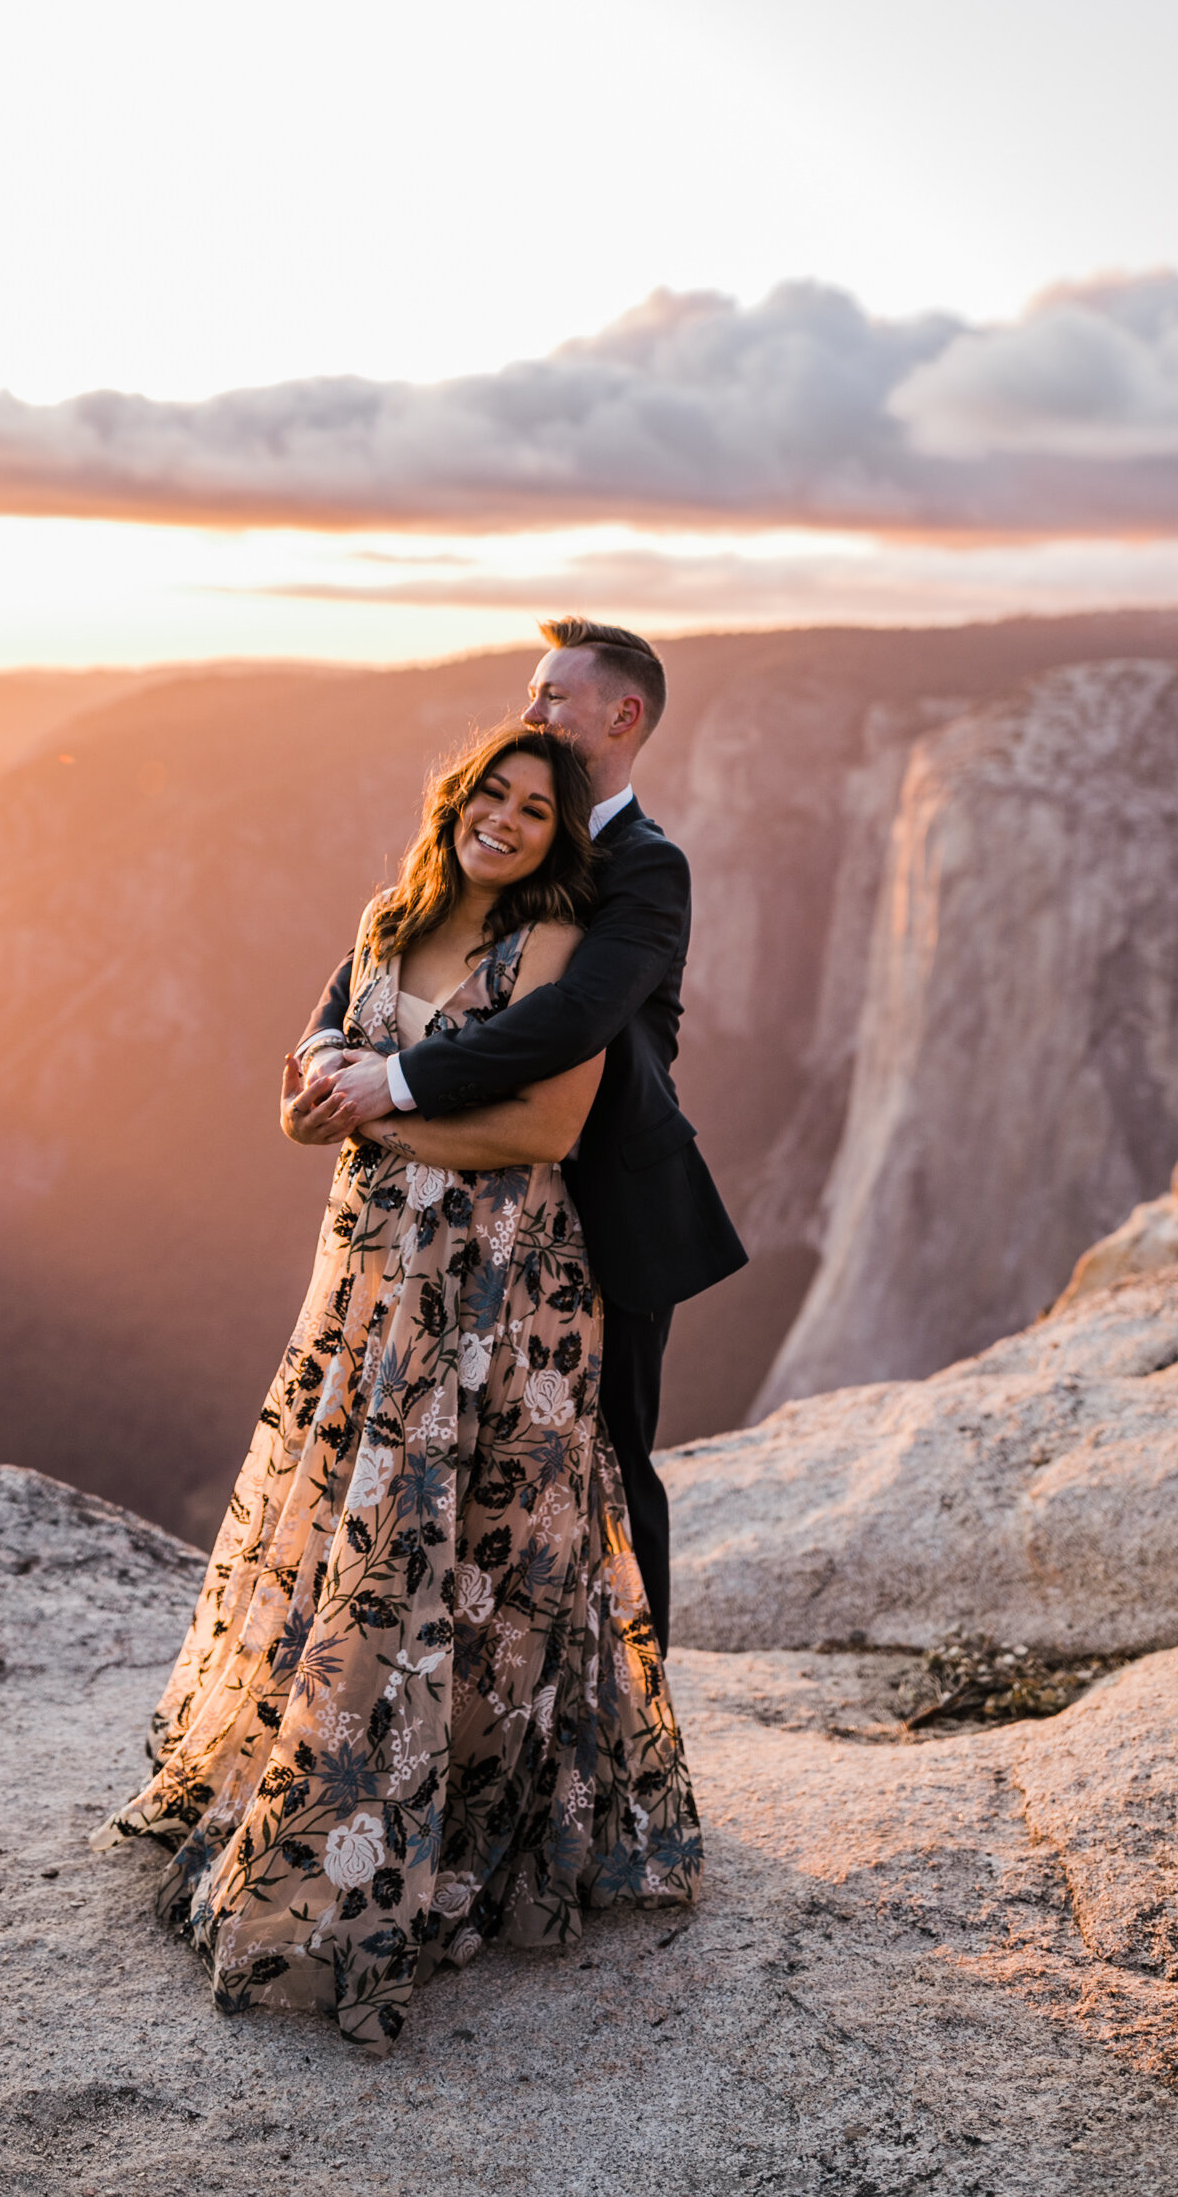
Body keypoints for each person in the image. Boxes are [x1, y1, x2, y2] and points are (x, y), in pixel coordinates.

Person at [95, 723, 701, 2051]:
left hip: (497, 1301)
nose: (503, 818)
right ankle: (308, 1787)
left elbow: (545, 1130)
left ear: (558, 836)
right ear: (456, 796)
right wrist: (316, 1105)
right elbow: (299, 1078)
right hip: (367, 1281)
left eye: (535, 808)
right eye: (490, 790)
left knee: (463, 1556)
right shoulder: (386, 917)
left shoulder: (544, 948)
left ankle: (426, 1841)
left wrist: (374, 1116)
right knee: (355, 1535)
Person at [302, 618, 747, 1654]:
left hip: (603, 1205)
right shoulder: (504, 833)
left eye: (551, 693)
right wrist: (325, 1062)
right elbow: (369, 969)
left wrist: (395, 1084)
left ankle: (633, 1716)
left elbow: (567, 1021)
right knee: (467, 1456)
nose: (531, 710)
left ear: (621, 715)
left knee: (607, 1460)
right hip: (465, 1218)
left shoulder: (647, 868)